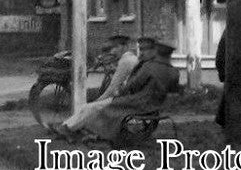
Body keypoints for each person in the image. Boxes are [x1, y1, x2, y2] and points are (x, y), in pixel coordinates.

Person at [52, 38, 180, 142]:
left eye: (146, 50)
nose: (142, 53)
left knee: (94, 107)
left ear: (155, 52)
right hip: (154, 107)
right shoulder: (174, 71)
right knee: (95, 106)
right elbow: (174, 91)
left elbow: (132, 86)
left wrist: (119, 94)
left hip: (137, 104)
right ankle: (67, 128)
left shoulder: (149, 67)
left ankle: (69, 129)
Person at [95, 34, 138, 100]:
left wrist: (97, 101)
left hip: (131, 99)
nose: (112, 51)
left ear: (122, 47)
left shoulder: (125, 61)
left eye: (114, 47)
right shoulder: (132, 57)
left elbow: (113, 87)